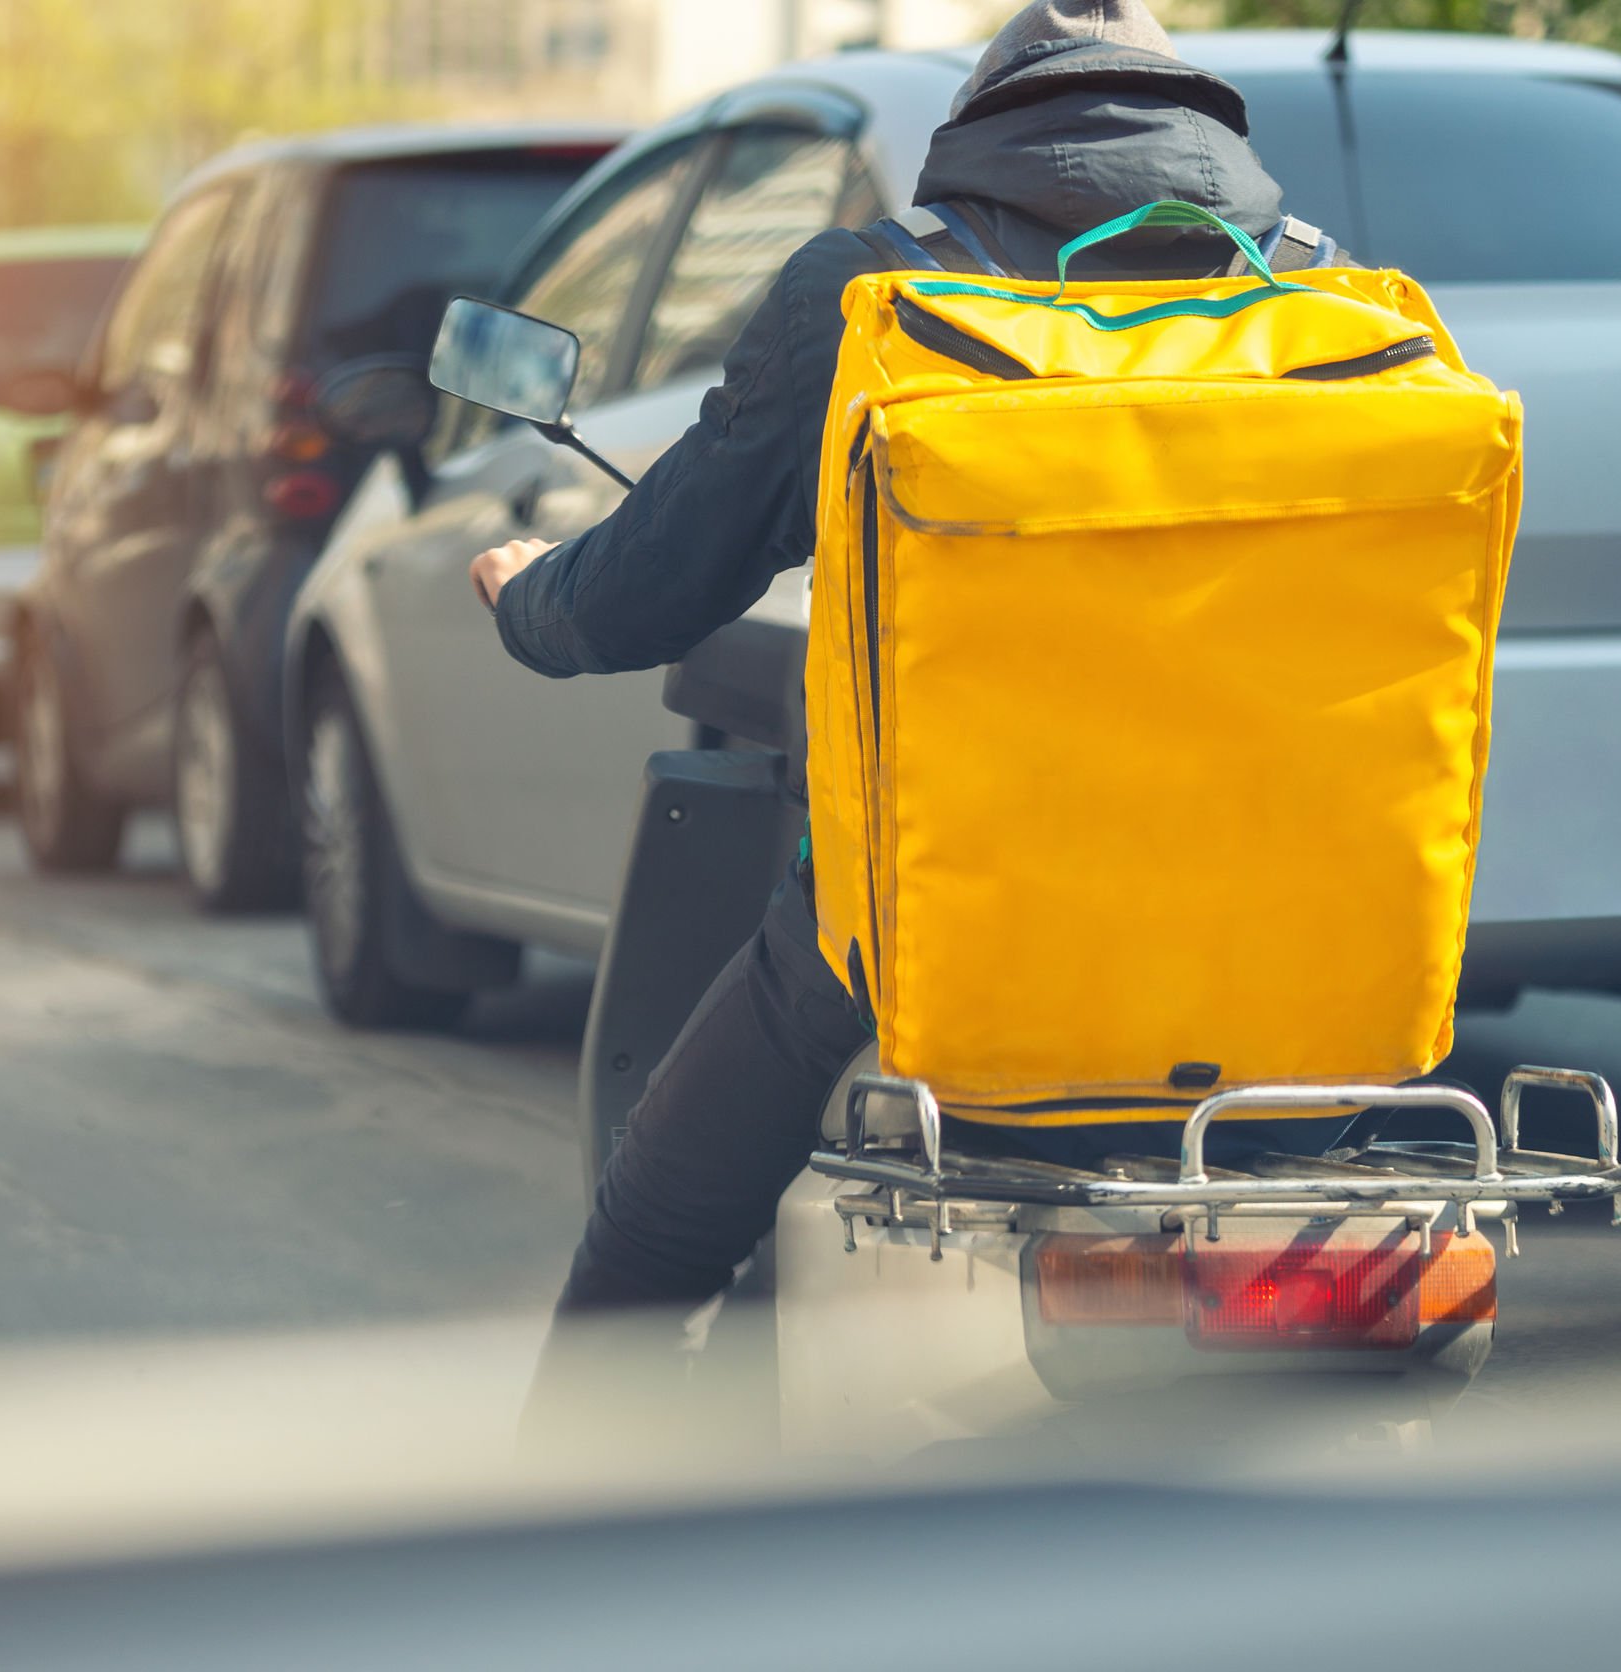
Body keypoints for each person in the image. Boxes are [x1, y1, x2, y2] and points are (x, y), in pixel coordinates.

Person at [472, 1, 1352, 1330]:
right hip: (1285, 929)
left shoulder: (876, 297)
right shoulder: (1326, 301)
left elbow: (656, 580)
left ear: (985, 132)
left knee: (649, 1243)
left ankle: (581, 1539)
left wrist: (525, 602)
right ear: (1200, 130)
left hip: (931, 921)